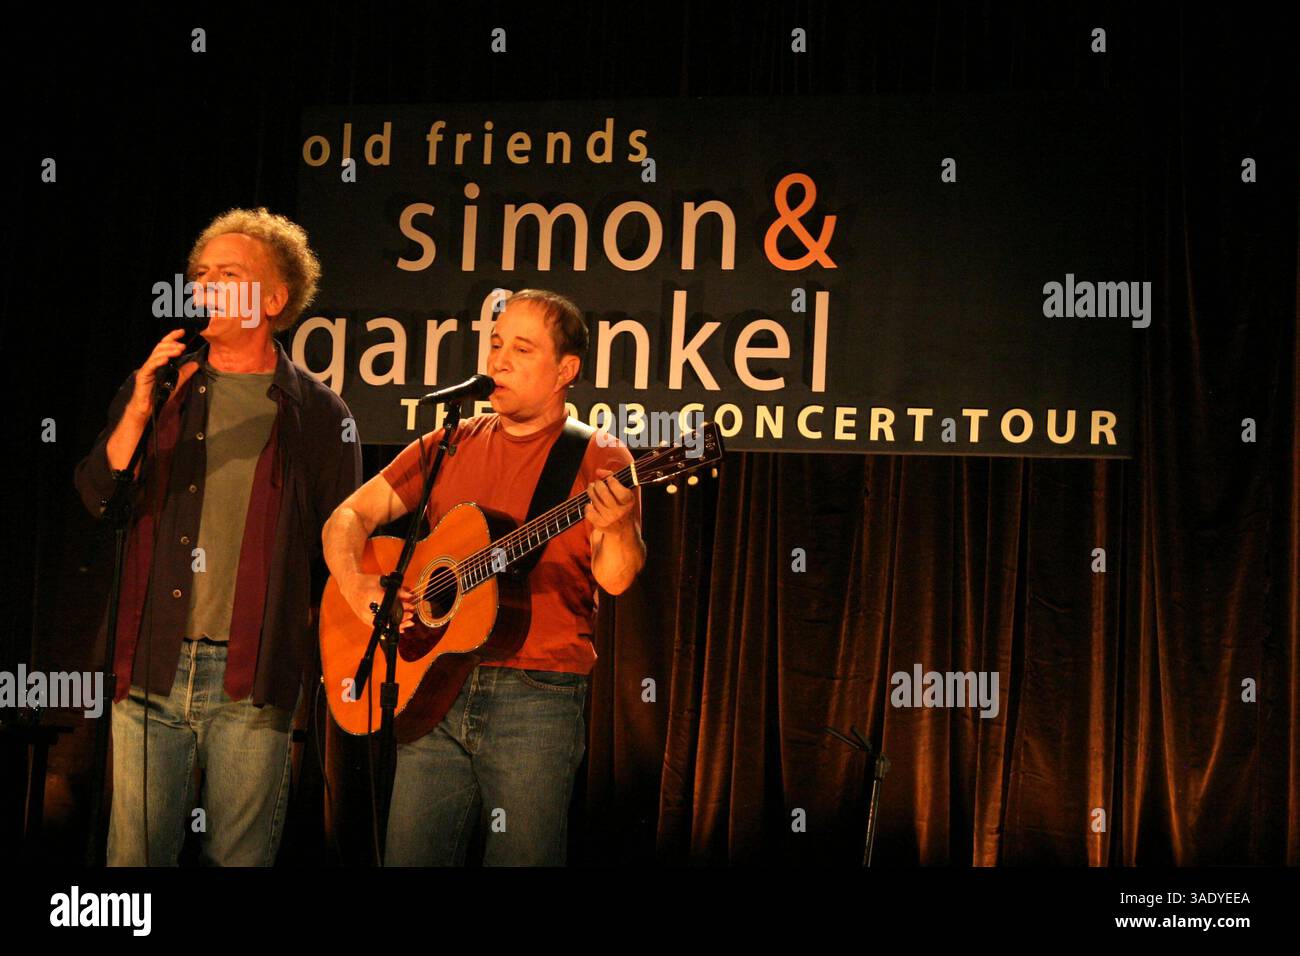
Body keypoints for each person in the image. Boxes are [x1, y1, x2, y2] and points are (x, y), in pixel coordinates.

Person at [74, 207, 362, 865]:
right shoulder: (163, 389)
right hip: (151, 667)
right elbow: (97, 495)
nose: (204, 286)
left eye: (227, 274)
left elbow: (340, 551)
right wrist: (139, 411)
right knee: (135, 859)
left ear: (273, 297)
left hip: (254, 677)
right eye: (200, 274)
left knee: (241, 857)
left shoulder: (319, 414)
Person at [322, 289, 646, 866]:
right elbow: (348, 518)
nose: (498, 361)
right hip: (433, 688)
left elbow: (617, 581)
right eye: (496, 344)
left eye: (522, 349)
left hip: (536, 698)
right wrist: (358, 585)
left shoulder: (600, 457)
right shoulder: (450, 442)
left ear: (564, 371)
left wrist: (619, 527)